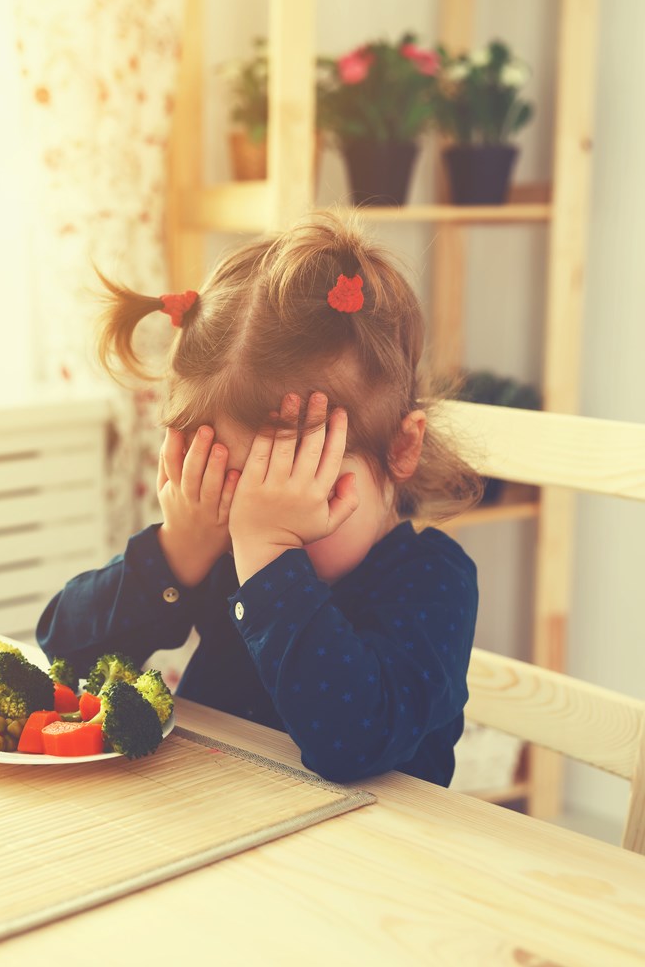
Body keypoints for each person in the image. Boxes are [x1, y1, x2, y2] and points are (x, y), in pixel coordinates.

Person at [37, 210, 481, 786]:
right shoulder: (223, 549)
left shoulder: (433, 581)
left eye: (297, 479)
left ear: (401, 448)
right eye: (233, 479)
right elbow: (66, 659)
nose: (252, 513)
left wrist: (271, 559)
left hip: (369, 860)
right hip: (220, 830)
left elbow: (354, 742)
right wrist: (178, 553)